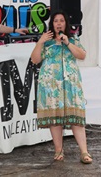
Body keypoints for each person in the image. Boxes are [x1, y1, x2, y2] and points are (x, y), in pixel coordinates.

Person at [30, 11, 92, 164]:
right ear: (52, 24)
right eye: (56, 21)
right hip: (50, 85)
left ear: (66, 24)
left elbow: (82, 55)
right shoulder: (46, 41)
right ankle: (58, 150)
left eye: (61, 21)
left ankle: (84, 152)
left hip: (71, 84)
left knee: (76, 118)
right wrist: (40, 42)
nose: (58, 23)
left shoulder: (72, 39)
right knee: (55, 119)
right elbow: (35, 60)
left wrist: (67, 42)